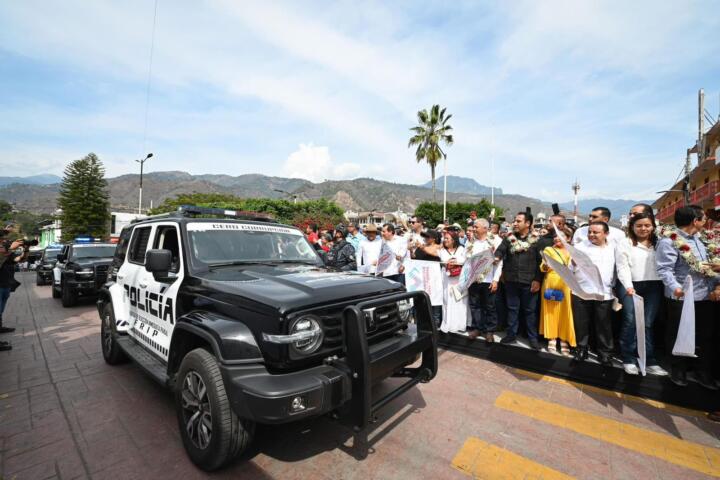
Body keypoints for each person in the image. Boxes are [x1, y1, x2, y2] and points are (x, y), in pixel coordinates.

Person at [656, 206, 720, 388]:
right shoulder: (669, 241)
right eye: (703, 219)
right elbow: (664, 269)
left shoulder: (704, 240)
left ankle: (702, 372)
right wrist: (676, 288)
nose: (705, 222)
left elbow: (713, 266)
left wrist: (717, 286)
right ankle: (678, 370)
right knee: (678, 334)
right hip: (682, 297)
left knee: (705, 336)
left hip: (706, 296)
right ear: (695, 221)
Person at [615, 212, 667, 376]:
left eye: (647, 225)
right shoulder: (625, 243)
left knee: (648, 323)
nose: (643, 228)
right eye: (639, 225)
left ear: (653, 226)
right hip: (630, 286)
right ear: (632, 227)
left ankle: (649, 359)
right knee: (630, 321)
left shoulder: (660, 243)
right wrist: (629, 286)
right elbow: (622, 267)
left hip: (654, 286)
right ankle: (628, 358)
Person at [493, 212, 543, 349]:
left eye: (518, 221)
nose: (514, 223)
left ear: (527, 224)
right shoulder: (509, 238)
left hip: (530, 281)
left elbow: (541, 262)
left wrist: (537, 280)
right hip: (511, 281)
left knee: (530, 311)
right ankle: (511, 335)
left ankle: (533, 338)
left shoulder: (538, 240)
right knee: (512, 309)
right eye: (514, 220)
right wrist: (496, 257)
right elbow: (500, 251)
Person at [571, 221, 618, 365]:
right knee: (581, 323)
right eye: (589, 232)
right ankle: (581, 349)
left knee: (604, 324)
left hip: (604, 292)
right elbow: (570, 267)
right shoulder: (579, 247)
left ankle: (605, 353)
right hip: (581, 291)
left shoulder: (614, 248)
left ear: (606, 234)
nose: (591, 235)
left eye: (595, 232)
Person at [539, 229, 575, 356]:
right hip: (551, 281)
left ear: (569, 238)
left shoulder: (572, 251)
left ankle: (564, 339)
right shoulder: (549, 249)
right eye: (555, 236)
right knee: (551, 310)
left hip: (567, 283)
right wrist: (545, 266)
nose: (556, 238)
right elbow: (543, 266)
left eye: (560, 236)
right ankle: (552, 338)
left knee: (566, 311)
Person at [467, 219, 502, 342]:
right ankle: (477, 328)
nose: (474, 229)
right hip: (473, 279)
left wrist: (495, 280)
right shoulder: (471, 242)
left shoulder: (496, 241)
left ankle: (489, 331)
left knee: (490, 306)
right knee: (475, 305)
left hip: (488, 279)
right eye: (474, 227)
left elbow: (499, 263)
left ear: (485, 228)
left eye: (476, 227)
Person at [412, 229, 443, 326]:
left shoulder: (439, 247)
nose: (425, 238)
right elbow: (414, 258)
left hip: (434, 277)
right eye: (424, 236)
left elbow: (433, 253)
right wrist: (410, 250)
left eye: (427, 236)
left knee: (435, 298)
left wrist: (421, 247)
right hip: (422, 277)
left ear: (434, 238)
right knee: (422, 298)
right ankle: (421, 319)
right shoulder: (421, 247)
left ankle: (436, 320)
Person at [439, 231, 468, 333]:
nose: (445, 240)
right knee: (448, 300)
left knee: (460, 300)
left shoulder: (461, 249)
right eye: (444, 238)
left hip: (459, 279)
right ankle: (448, 324)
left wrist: (455, 261)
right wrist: (455, 261)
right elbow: (444, 260)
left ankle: (460, 325)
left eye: (447, 238)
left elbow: (465, 259)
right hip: (447, 280)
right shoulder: (442, 250)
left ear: (453, 240)